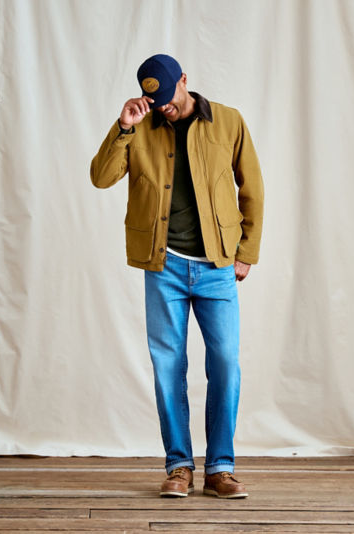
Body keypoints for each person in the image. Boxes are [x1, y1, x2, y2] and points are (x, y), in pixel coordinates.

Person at [90, 54, 263, 499]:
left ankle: (220, 468)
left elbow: (252, 188)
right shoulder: (140, 125)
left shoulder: (228, 121)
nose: (163, 106)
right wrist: (124, 126)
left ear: (184, 80)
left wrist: (246, 252)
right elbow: (101, 177)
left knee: (225, 363)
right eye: (154, 99)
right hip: (163, 263)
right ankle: (179, 466)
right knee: (169, 366)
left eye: (167, 96)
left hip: (218, 265)